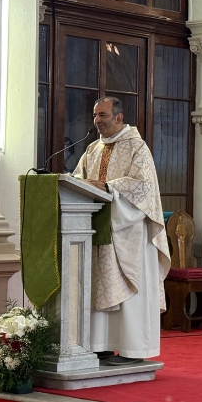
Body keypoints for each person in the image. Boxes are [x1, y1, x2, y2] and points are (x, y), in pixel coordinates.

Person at [73, 96, 171, 365]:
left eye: (102, 115)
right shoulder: (92, 149)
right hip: (99, 230)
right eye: (95, 115)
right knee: (99, 287)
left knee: (129, 291)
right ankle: (100, 345)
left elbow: (144, 187)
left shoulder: (137, 147)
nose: (97, 121)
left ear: (118, 117)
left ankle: (133, 349)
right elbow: (77, 181)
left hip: (130, 233)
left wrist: (109, 187)